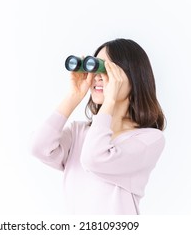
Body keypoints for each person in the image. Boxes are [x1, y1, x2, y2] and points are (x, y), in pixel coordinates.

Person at [31, 38, 166, 214]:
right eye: (96, 68)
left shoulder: (149, 139)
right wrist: (74, 96)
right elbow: (38, 147)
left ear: (134, 77)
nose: (98, 76)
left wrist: (109, 101)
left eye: (108, 70)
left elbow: (95, 158)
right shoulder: (79, 132)